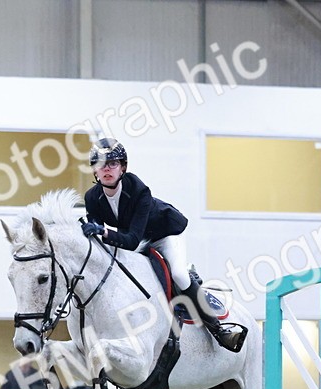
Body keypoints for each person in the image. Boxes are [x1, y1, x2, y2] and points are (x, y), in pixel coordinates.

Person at [82, 138, 246, 352]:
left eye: (112, 164)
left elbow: (131, 241)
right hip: (133, 237)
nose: (106, 169)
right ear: (94, 170)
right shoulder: (92, 197)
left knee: (178, 274)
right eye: (101, 164)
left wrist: (103, 231)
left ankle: (219, 329)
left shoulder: (138, 189)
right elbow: (100, 241)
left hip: (165, 234)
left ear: (123, 167)